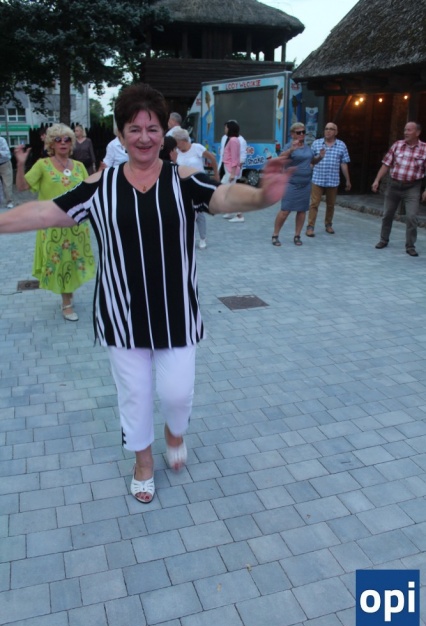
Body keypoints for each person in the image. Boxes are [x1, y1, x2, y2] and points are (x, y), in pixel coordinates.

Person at [2, 83, 291, 505]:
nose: (143, 137)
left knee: (177, 393)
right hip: (121, 316)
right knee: (134, 395)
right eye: (134, 129)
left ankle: (175, 432)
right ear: (120, 134)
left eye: (152, 128)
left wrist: (264, 195)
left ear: (163, 134)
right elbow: (46, 211)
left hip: (177, 314)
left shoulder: (183, 180)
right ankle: (143, 462)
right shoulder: (99, 186)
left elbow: (225, 196)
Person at [14, 123, 96, 321]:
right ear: (51, 143)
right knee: (61, 262)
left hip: (76, 226)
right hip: (53, 226)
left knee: (73, 261)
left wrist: (104, 175)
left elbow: (90, 191)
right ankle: (66, 303)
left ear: (72, 143)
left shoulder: (78, 167)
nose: (63, 143)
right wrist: (21, 164)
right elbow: (22, 187)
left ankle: (68, 295)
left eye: (67, 139)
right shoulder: (43, 165)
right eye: (58, 139)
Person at [372, 122, 426, 257]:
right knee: (387, 214)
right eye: (405, 130)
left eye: (409, 130)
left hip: (412, 187)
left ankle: (410, 246)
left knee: (412, 217)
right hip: (394, 185)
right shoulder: (397, 145)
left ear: (417, 133)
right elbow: (386, 164)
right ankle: (383, 240)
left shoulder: (424, 149)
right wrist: (377, 180)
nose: (405, 132)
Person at [271, 122, 325, 247]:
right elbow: (280, 158)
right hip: (291, 183)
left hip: (305, 183)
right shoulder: (289, 146)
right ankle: (275, 235)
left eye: (303, 132)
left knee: (301, 210)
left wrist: (320, 157)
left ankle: (297, 235)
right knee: (285, 210)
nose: (302, 134)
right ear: (292, 134)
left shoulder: (307, 147)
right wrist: (291, 149)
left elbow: (312, 161)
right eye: (298, 132)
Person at [173, 127, 220, 249]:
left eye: (176, 142)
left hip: (198, 184)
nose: (176, 145)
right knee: (185, 212)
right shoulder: (176, 152)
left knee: (199, 212)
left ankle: (203, 238)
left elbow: (212, 158)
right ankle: (188, 237)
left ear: (183, 140)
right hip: (183, 185)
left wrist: (216, 174)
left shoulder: (196, 148)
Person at [305, 122, 351, 236]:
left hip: (333, 180)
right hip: (317, 179)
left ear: (336, 132)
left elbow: (344, 164)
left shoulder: (341, 145)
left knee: (330, 205)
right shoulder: (316, 143)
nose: (328, 131)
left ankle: (328, 224)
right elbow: (311, 161)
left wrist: (348, 180)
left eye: (331, 129)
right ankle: (310, 227)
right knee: (314, 204)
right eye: (326, 129)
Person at [220, 120, 244, 222]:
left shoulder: (233, 140)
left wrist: (233, 173)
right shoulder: (232, 140)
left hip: (231, 170)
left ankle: (239, 215)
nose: (225, 129)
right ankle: (230, 211)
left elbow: (234, 158)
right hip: (229, 169)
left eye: (226, 127)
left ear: (230, 129)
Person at [0, 136, 14, 208]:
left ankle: (9, 201)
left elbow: (7, 153)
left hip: (5, 163)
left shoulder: (2, 140)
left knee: (7, 184)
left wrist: (0, 153)